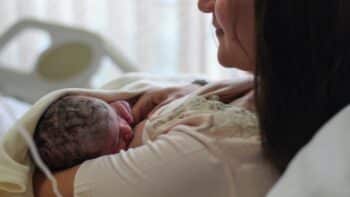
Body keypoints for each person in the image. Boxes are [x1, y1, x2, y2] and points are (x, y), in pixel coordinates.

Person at [34, 0, 350, 196]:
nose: (203, 3)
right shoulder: (276, 95)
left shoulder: (210, 159)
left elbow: (36, 187)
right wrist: (193, 92)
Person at [33, 95, 134, 171]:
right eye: (116, 142)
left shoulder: (103, 118)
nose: (127, 129)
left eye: (118, 118)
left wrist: (118, 107)